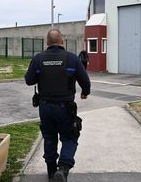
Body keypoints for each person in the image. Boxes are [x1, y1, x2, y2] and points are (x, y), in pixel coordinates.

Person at [25, 29, 91, 182]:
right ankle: (63, 169)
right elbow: (85, 81)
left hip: (45, 107)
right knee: (69, 137)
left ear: (47, 42)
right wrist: (85, 92)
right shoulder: (72, 58)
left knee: (49, 138)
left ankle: (51, 171)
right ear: (62, 42)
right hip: (65, 107)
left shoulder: (38, 58)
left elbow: (29, 80)